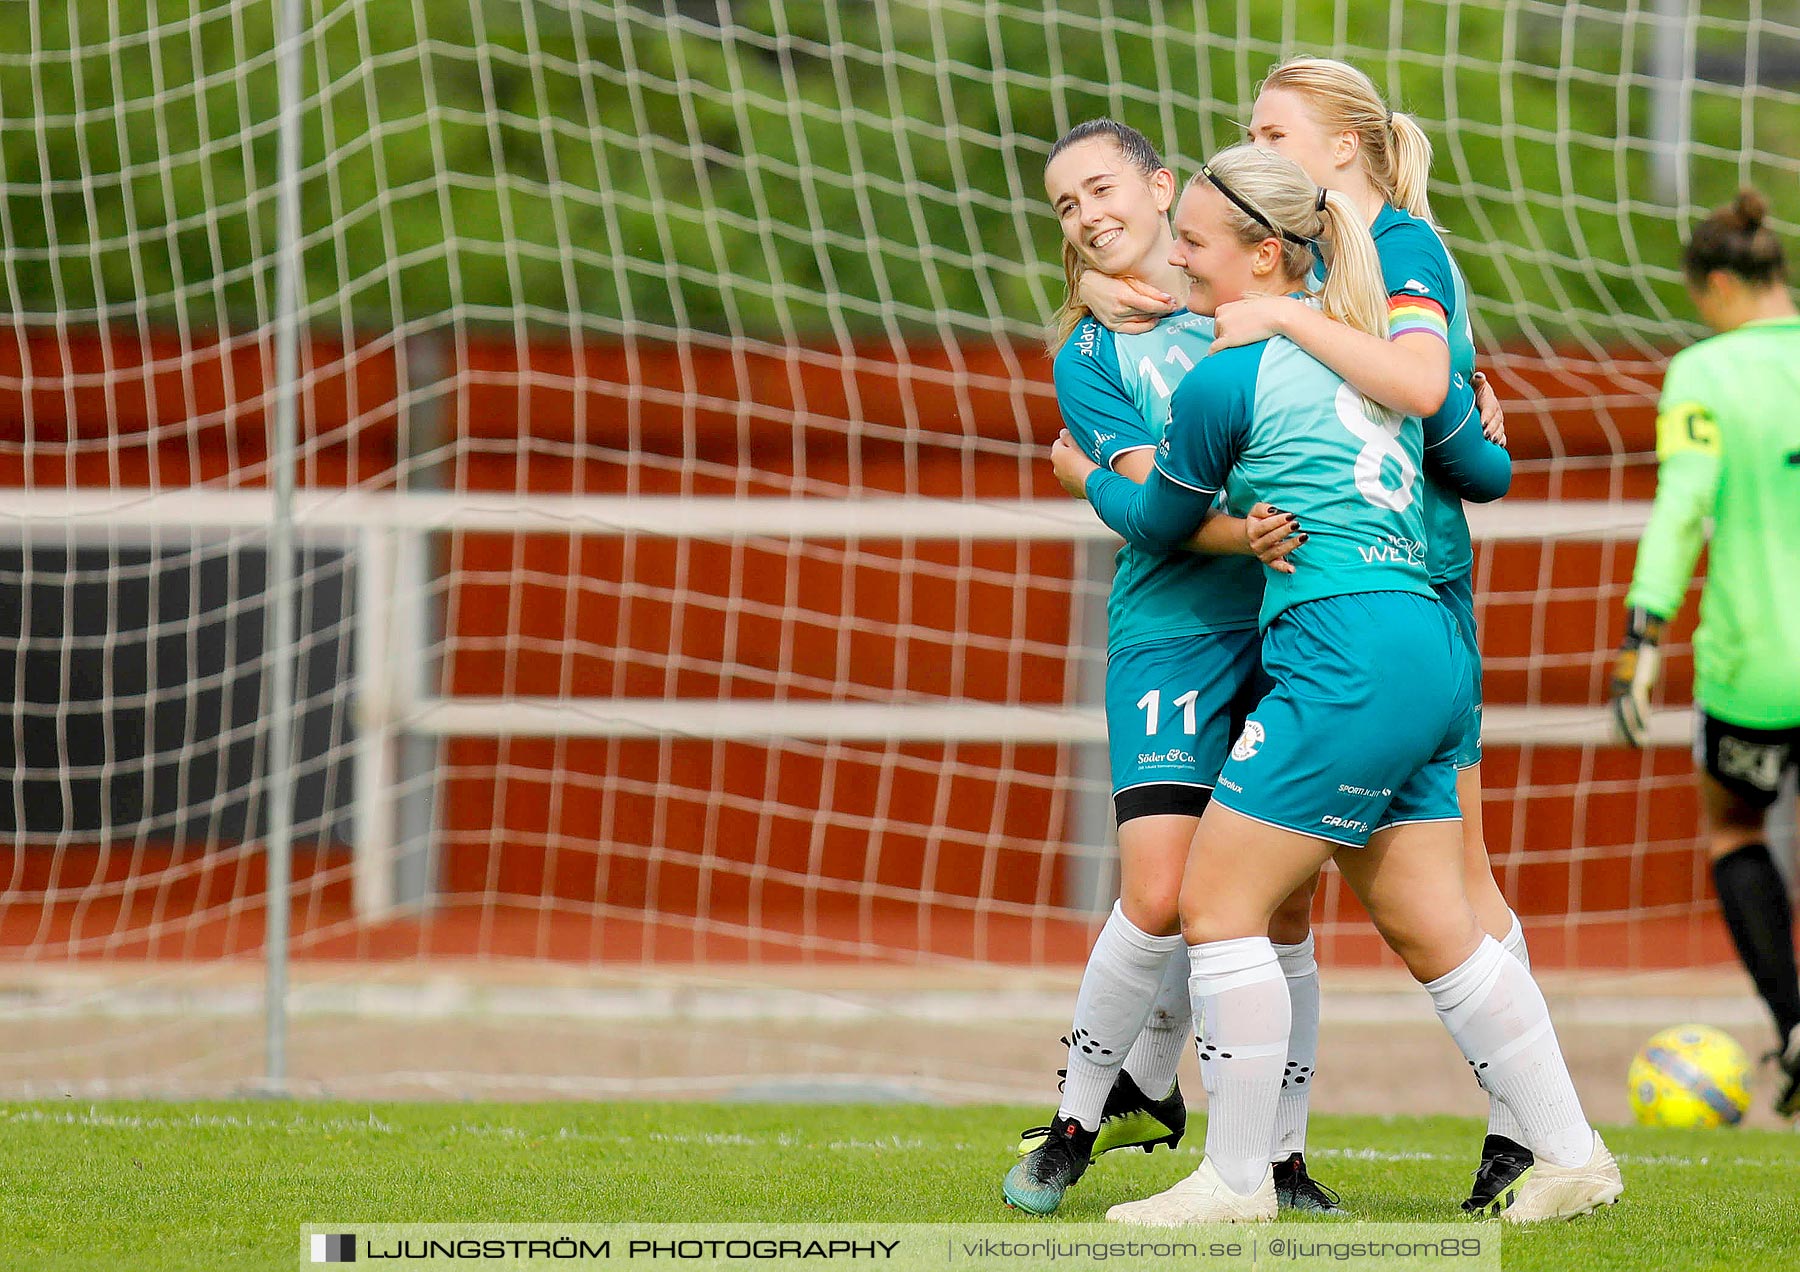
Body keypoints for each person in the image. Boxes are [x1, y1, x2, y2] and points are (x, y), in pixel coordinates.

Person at [1053, 143, 1621, 1225]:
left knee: (1219, 902)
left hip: (1339, 644)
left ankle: (1237, 1180)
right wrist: (1477, 395)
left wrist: (1076, 466)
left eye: (1197, 246)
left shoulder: (1226, 376)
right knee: (1428, 921)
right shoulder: (1375, 346)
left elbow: (1157, 524)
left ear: (1262, 255)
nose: (1179, 259)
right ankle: (1569, 1150)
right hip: (1431, 637)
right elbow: (1483, 465)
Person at [1002, 119, 1315, 1217]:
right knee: (1157, 893)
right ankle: (1079, 1119)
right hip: (1173, 637)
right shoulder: (1087, 353)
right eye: (1066, 206)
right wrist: (1257, 532)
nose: (1088, 215)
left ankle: (1278, 1158)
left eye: (1101, 188)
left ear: (1163, 188)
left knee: (1278, 913)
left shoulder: (1248, 299)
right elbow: (1152, 511)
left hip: (1292, 629)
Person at [1609, 188, 1800, 1116]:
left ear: (1719, 284)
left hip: (1758, 664)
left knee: (1736, 829)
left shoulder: (1705, 372)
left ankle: (1792, 1025)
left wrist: (1643, 634)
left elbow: (1683, 507)